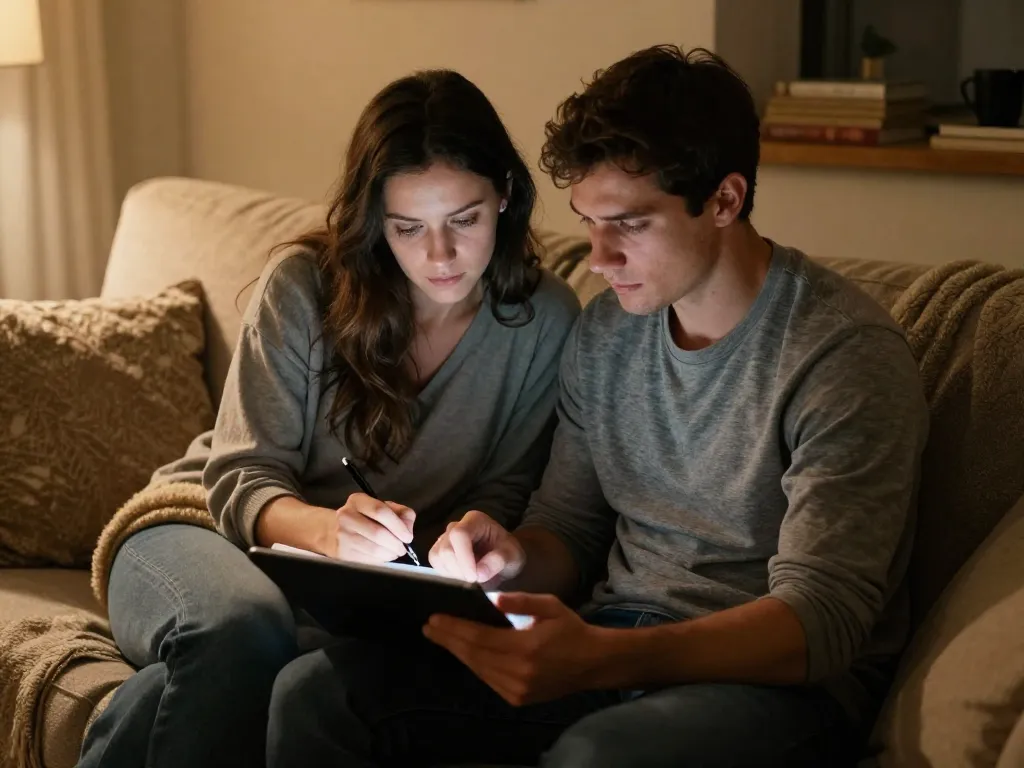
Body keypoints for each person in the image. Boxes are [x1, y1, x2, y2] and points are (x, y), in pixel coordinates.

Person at [265, 45, 930, 768]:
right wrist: (508, 557)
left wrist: (609, 657)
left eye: (630, 225)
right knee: (318, 694)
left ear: (725, 200)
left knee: (598, 756)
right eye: (588, 220)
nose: (599, 256)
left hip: (770, 687)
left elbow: (823, 621)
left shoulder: (843, 355)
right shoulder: (608, 331)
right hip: (607, 640)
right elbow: (570, 531)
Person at [76, 69, 580, 768]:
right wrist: (326, 531)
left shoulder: (544, 320)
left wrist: (469, 541)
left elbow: (504, 491)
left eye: (464, 219)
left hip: (363, 587)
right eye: (408, 228)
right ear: (377, 222)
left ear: (503, 193)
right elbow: (240, 476)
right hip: (201, 526)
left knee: (268, 676)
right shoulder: (305, 287)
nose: (440, 255)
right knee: (241, 629)